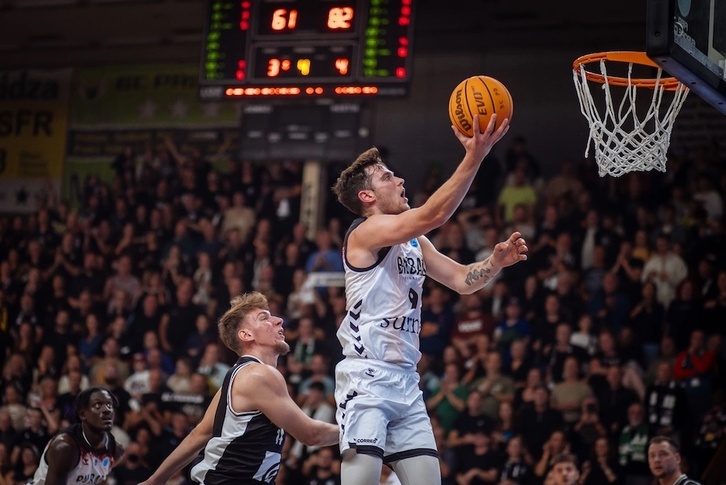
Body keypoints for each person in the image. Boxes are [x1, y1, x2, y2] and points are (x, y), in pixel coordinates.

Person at [331, 114, 526, 485]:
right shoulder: (366, 232)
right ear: (367, 196)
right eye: (388, 176)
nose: (400, 179)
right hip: (366, 379)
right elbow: (435, 214)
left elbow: (460, 280)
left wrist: (494, 262)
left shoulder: (413, 241)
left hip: (406, 380)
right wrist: (476, 154)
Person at [138, 291, 339, 485]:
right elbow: (312, 435)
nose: (279, 320)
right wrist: (363, 432)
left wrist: (155, 480)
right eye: (264, 318)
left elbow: (199, 434)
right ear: (246, 334)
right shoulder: (259, 375)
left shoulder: (237, 377)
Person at [28, 386, 125, 485]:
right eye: (98, 405)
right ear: (82, 414)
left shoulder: (116, 451)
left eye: (109, 405)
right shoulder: (65, 448)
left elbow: (99, 481)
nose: (106, 410)